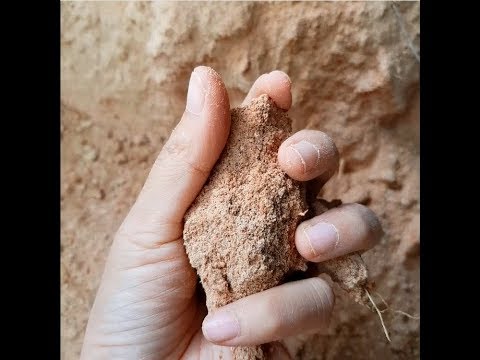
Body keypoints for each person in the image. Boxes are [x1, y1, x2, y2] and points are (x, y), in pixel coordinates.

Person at [80, 66, 383, 359]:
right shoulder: (210, 188)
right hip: (220, 295)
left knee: (314, 226)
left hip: (246, 296)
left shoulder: (280, 165)